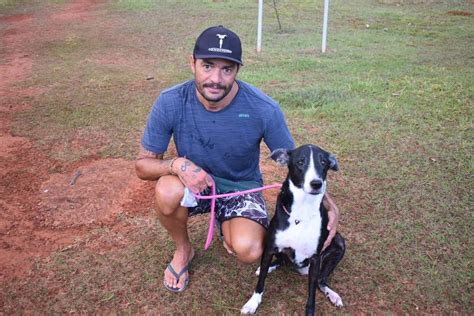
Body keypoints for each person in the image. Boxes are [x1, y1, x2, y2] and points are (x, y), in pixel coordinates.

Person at [135, 25, 340, 293]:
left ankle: (229, 225)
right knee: (166, 189)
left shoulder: (263, 108)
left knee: (249, 249)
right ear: (192, 63)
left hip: (242, 188)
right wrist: (177, 164)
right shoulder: (170, 101)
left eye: (227, 69)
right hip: (196, 185)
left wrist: (328, 205)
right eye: (207, 66)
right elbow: (143, 165)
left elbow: (297, 165)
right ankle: (184, 249)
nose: (216, 79)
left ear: (237, 71)